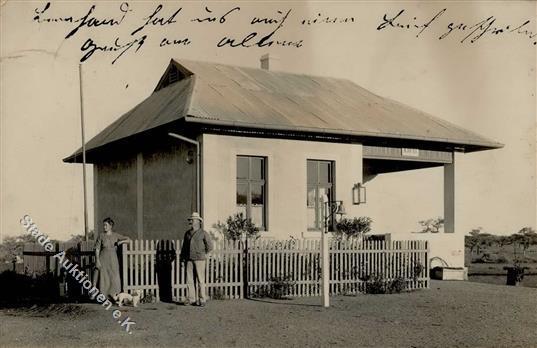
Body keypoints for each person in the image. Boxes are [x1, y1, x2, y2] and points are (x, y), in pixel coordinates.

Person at [180, 212, 213, 306]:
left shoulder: (203, 233)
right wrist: (182, 259)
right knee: (189, 280)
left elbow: (210, 246)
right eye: (191, 219)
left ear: (198, 222)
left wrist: (204, 254)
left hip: (200, 259)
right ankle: (191, 299)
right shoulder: (187, 233)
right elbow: (184, 248)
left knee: (200, 280)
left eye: (193, 220)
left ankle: (202, 300)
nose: (191, 221)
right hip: (189, 259)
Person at [94, 217, 130, 300]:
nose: (104, 227)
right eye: (104, 225)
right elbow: (97, 249)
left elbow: (128, 240)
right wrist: (97, 260)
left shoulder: (116, 235)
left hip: (113, 259)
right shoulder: (101, 235)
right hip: (103, 258)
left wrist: (120, 242)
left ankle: (115, 297)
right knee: (104, 278)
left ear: (110, 226)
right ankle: (104, 297)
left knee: (114, 277)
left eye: (106, 225)